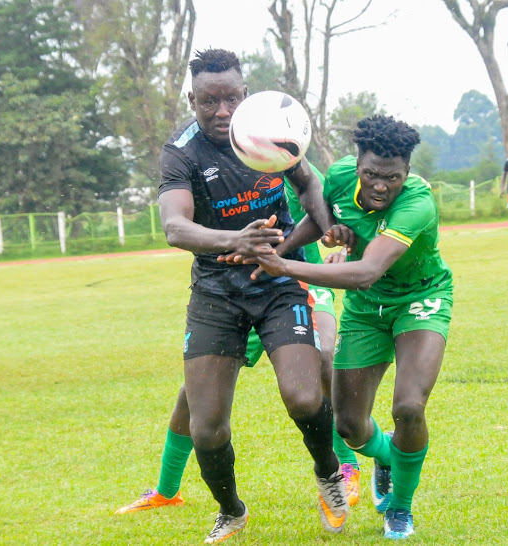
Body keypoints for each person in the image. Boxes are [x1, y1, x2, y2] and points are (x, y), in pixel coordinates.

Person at [153, 48, 348, 543]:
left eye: (230, 99)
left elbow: (307, 185)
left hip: (276, 279)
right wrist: (233, 240)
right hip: (216, 291)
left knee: (304, 397)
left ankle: (329, 475)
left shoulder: (267, 125)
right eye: (209, 101)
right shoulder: (182, 151)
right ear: (192, 98)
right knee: (206, 428)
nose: (222, 112)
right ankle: (231, 510)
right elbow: (175, 227)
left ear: (244, 94)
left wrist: (326, 227)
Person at [248, 115, 453, 539]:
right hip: (365, 311)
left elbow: (367, 271)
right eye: (372, 174)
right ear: (356, 164)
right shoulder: (341, 175)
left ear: (407, 173)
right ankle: (385, 455)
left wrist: (282, 265)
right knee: (350, 427)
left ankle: (400, 506)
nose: (381, 186)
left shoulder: (417, 203)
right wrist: (293, 244)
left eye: (392, 177)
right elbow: (322, 218)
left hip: (420, 299)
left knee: (409, 406)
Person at [114, 174, 362, 517]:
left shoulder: (295, 168)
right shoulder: (222, 169)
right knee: (195, 394)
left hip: (298, 279)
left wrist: (339, 241)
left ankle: (345, 468)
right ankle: (166, 490)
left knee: (322, 358)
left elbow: (331, 218)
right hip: (237, 293)